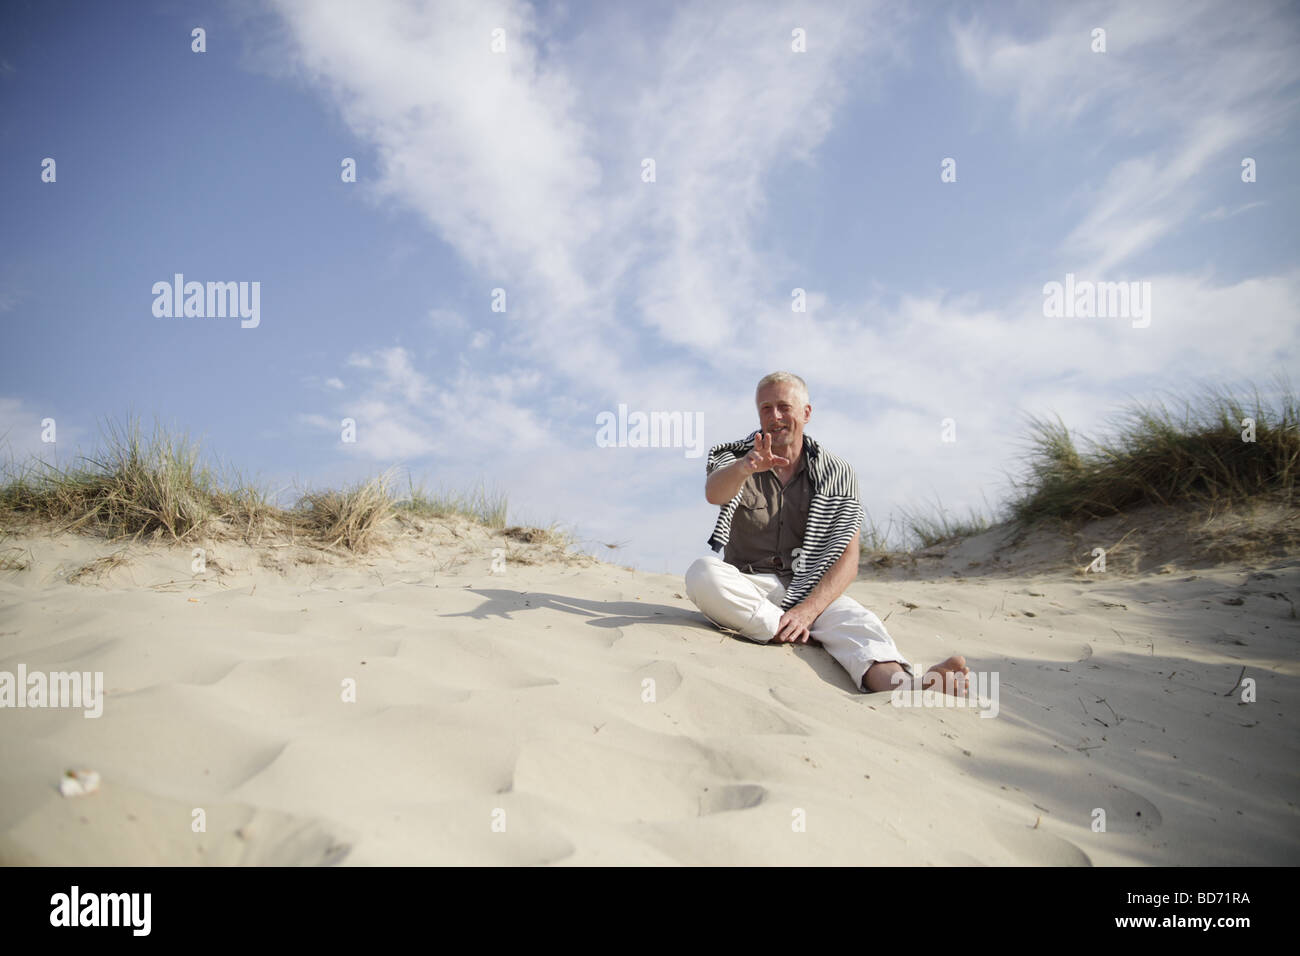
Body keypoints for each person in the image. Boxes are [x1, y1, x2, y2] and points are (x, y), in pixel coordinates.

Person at [684, 371, 970, 695]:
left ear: (805, 413)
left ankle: (909, 689)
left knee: (860, 625)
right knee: (702, 573)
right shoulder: (737, 457)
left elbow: (848, 560)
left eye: (783, 406)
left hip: (809, 587)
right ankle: (775, 627)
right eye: (766, 408)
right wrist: (746, 467)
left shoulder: (838, 473)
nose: (775, 417)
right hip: (748, 583)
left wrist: (807, 612)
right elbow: (714, 493)